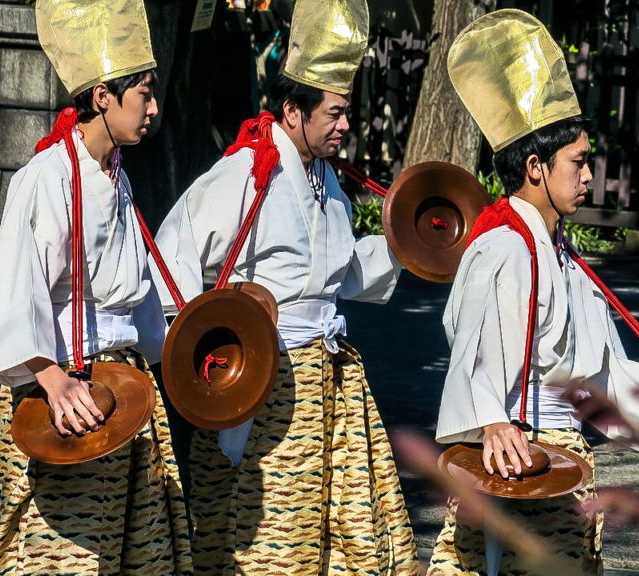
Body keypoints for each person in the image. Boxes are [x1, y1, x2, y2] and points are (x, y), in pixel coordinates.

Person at [151, 0, 419, 574]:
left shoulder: (327, 180)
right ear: (293, 110)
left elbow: (340, 272)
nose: (346, 125)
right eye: (336, 113)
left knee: (351, 525)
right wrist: (207, 343)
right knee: (274, 531)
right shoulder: (243, 173)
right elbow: (175, 260)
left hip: (332, 379)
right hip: (262, 377)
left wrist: (404, 244)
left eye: (347, 112)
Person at [429, 10, 639, 576]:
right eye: (579, 163)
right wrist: (490, 420)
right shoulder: (506, 247)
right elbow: (473, 347)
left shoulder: (553, 246)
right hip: (524, 454)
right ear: (536, 168)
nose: (589, 176)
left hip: (559, 450)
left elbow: (596, 361)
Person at [0, 0, 191, 574]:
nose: (153, 108)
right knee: (61, 556)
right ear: (103, 95)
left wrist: (174, 361)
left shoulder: (118, 177)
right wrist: (51, 379)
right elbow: (12, 286)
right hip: (64, 389)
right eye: (143, 94)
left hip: (126, 385)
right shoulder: (43, 177)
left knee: (140, 551)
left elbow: (137, 296)